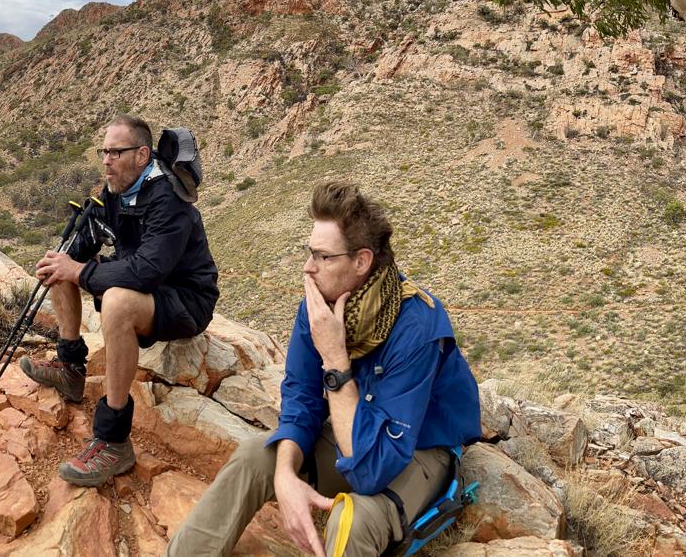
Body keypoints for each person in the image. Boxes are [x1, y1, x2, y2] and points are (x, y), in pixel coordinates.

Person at [163, 181, 480, 557]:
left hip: (419, 448)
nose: (308, 267)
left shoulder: (416, 326)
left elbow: (372, 471)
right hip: (353, 427)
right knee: (254, 458)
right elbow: (300, 400)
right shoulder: (317, 307)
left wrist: (334, 358)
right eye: (309, 252)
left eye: (322, 257)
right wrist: (285, 475)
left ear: (361, 261)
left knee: (356, 517)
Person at [17, 113, 218, 487]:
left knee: (115, 301)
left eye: (115, 152)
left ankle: (114, 439)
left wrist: (80, 272)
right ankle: (71, 368)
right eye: (104, 152)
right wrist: (65, 260)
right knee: (61, 263)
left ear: (142, 155)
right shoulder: (118, 191)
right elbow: (86, 250)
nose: (106, 160)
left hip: (187, 300)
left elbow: (147, 271)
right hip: (148, 288)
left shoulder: (168, 200)